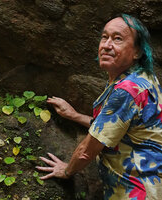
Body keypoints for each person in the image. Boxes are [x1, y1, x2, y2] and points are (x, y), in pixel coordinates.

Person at [36, 14, 162, 200]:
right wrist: (74, 115)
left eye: (117, 39)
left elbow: (87, 151)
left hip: (136, 193)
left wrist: (66, 171)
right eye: (105, 37)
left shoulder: (126, 91)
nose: (106, 45)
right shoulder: (144, 79)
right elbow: (120, 129)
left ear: (137, 52)